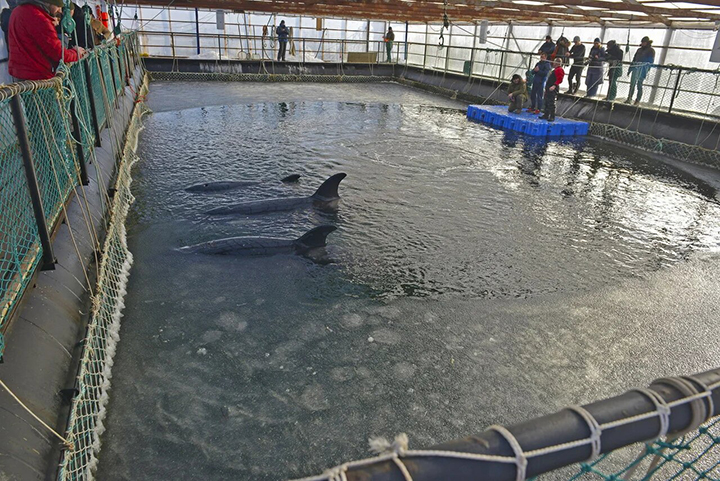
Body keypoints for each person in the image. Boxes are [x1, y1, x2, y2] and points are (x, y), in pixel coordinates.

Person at [8, 0, 85, 81]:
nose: (60, 10)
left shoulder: (17, 11)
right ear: (48, 3)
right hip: (38, 78)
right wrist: (77, 53)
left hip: (19, 75)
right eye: (58, 6)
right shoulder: (39, 18)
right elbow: (58, 54)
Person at [626, 36, 655, 106]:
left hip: (642, 70)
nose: (642, 44)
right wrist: (630, 68)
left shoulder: (651, 51)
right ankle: (629, 98)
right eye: (642, 42)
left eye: (644, 42)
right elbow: (634, 59)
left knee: (639, 84)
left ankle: (637, 100)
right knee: (632, 84)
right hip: (635, 68)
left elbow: (650, 61)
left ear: (647, 43)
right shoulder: (639, 50)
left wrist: (646, 69)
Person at [540, 58, 564, 122]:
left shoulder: (559, 70)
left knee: (551, 102)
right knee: (547, 101)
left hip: (552, 88)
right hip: (549, 87)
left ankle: (552, 116)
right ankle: (546, 114)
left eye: (555, 62)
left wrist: (554, 85)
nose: (553, 63)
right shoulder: (555, 70)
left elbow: (560, 79)